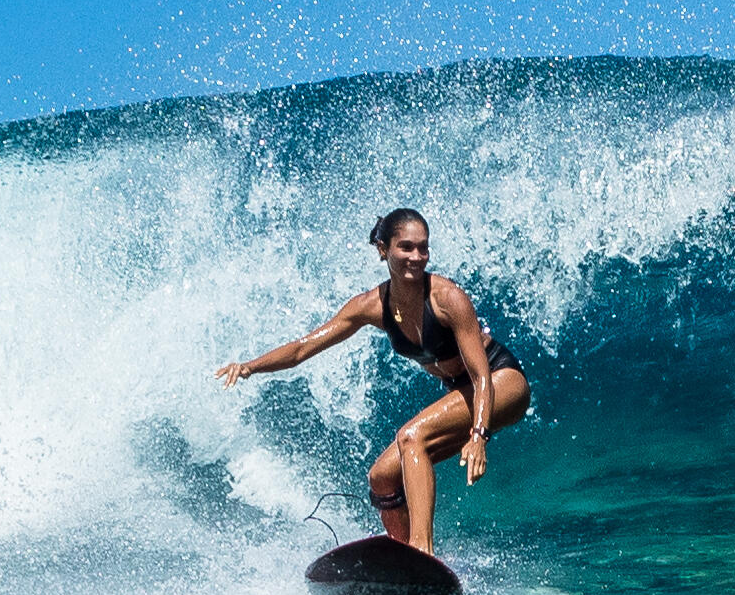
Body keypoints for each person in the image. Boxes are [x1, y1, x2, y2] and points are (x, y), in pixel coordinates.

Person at [214, 208, 532, 553]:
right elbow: (302, 348)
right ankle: (404, 561)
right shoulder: (372, 306)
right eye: (406, 247)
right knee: (382, 477)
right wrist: (248, 367)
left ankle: (421, 551)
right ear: (383, 249)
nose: (417, 257)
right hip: (463, 392)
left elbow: (481, 373)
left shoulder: (447, 299)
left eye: (423, 248)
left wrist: (479, 434)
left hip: (501, 382)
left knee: (412, 436)